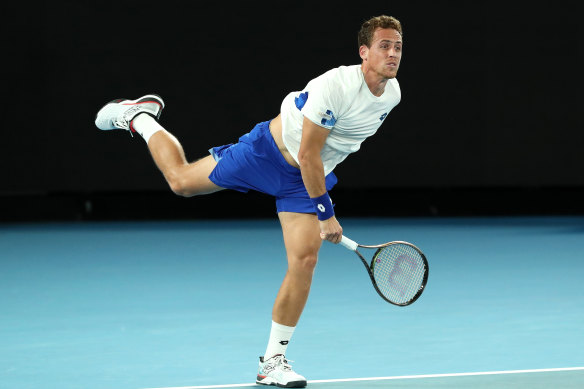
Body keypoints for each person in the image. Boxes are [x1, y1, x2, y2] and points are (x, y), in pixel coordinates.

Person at [95, 14, 403, 388]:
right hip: (267, 154)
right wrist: (326, 212)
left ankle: (273, 361)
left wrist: (317, 201)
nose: (392, 53)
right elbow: (307, 153)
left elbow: (325, 155)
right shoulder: (335, 86)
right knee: (180, 182)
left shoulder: (392, 95)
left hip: (303, 180)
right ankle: (140, 116)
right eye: (384, 46)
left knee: (305, 260)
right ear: (364, 52)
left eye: (398, 46)